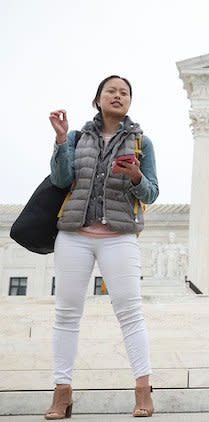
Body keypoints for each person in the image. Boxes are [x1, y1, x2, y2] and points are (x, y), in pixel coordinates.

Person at [46, 75, 158, 419]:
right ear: (97, 99)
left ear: (129, 102)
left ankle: (143, 390)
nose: (118, 96)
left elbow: (152, 192)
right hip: (74, 234)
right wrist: (61, 141)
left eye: (124, 93)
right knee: (66, 314)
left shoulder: (141, 142)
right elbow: (60, 179)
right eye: (111, 91)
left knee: (130, 314)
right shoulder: (78, 138)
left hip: (119, 236)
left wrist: (136, 176)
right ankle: (61, 393)